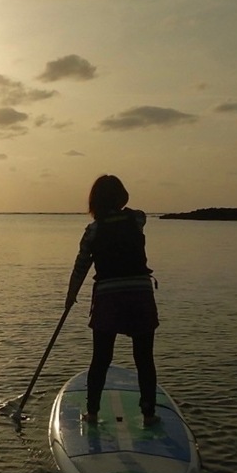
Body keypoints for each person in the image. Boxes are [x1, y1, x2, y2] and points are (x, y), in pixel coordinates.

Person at [64, 174, 160, 426]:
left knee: (101, 357)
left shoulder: (93, 231)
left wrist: (71, 295)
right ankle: (149, 414)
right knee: (144, 358)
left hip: (109, 296)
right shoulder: (137, 219)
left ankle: (92, 413)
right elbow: (133, 216)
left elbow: (81, 266)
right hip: (140, 293)